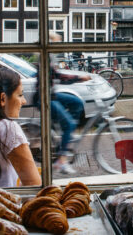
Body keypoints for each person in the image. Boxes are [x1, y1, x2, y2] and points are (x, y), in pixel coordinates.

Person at [0, 65, 42, 187]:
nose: (24, 101)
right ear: (3, 98)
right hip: (2, 205)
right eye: (20, 95)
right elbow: (33, 184)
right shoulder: (8, 129)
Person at [34, 33, 91, 174]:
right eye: (57, 42)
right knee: (70, 124)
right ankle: (61, 161)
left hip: (51, 94)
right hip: (45, 97)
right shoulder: (45, 57)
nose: (59, 45)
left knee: (77, 102)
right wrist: (79, 77)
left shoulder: (48, 57)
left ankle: (65, 130)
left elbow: (56, 76)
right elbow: (59, 76)